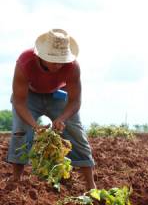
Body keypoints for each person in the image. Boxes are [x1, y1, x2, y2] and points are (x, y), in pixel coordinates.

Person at [7, 29, 96, 190]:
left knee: (75, 131)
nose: (58, 65)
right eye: (54, 60)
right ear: (41, 56)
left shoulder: (72, 67)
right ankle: (16, 180)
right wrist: (35, 126)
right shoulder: (25, 62)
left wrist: (62, 118)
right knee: (21, 130)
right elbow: (19, 101)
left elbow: (75, 100)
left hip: (57, 95)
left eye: (62, 60)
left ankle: (91, 185)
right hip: (30, 95)